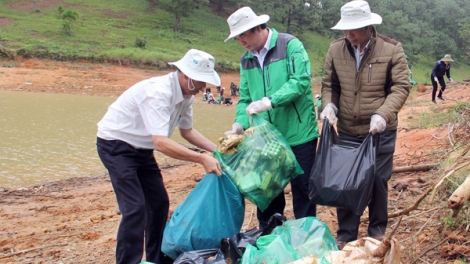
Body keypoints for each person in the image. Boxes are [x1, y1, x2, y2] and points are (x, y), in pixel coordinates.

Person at [96, 49, 222, 264]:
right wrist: (202, 159)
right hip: (116, 146)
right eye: (200, 81)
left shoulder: (186, 95)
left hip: (142, 149)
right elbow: (161, 143)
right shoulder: (158, 92)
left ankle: (156, 258)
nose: (203, 88)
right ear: (185, 75)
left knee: (159, 202)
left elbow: (187, 132)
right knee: (135, 208)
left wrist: (218, 150)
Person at [320, 0, 410, 250]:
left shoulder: (392, 49)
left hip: (381, 129)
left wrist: (383, 114)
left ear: (369, 26)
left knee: (378, 179)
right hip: (349, 128)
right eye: (345, 30)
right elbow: (330, 85)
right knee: (348, 180)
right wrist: (329, 105)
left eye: (354, 30)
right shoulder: (336, 49)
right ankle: (346, 233)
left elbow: (401, 87)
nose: (348, 35)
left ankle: (377, 230)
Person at [224, 6, 320, 229]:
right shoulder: (246, 60)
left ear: (258, 27)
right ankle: (271, 237)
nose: (241, 41)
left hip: (298, 133)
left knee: (302, 188)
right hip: (266, 137)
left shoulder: (290, 45)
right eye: (237, 38)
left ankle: (307, 235)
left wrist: (271, 101)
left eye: (243, 35)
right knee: (267, 189)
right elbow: (246, 97)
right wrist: (239, 123)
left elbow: (300, 80)